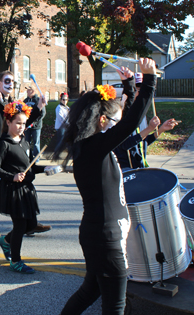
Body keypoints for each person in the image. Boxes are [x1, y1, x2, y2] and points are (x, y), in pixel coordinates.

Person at [53, 59, 157, 315]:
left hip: (102, 235)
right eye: (112, 118)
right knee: (114, 307)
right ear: (101, 120)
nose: (116, 121)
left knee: (90, 291)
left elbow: (125, 124)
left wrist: (128, 87)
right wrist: (149, 81)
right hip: (104, 238)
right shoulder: (92, 148)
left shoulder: (95, 146)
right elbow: (129, 123)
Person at [0, 70, 50, 238]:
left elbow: (23, 122)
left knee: (24, 184)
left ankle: (30, 222)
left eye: (13, 82)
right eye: (7, 81)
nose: (10, 84)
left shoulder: (15, 103)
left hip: (13, 148)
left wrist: (38, 108)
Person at [0, 100, 45, 273]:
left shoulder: (24, 142)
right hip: (11, 190)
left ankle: (5, 241)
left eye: (23, 123)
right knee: (21, 226)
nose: (21, 127)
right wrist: (11, 177)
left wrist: (47, 169)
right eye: (18, 123)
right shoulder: (4, 144)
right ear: (8, 123)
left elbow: (31, 166)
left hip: (26, 190)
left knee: (30, 225)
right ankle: (16, 261)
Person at [23, 86, 45, 158]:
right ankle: (27, 158)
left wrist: (34, 123)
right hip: (27, 126)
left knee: (36, 143)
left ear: (32, 91)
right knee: (26, 142)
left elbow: (42, 113)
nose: (27, 92)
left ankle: (36, 158)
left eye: (28, 90)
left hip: (36, 126)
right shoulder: (25, 101)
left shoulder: (38, 100)